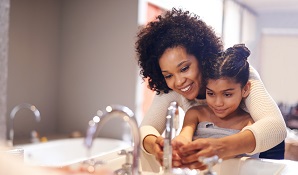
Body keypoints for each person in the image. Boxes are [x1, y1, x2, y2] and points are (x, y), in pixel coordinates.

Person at [135, 8, 287, 170]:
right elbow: (146, 128)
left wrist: (221, 147)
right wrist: (155, 146)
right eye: (168, 75)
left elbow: (276, 127)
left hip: (262, 148)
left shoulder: (235, 74)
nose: (178, 81)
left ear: (201, 57)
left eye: (185, 68)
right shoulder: (171, 88)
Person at [172, 44, 259, 169]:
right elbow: (184, 136)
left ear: (245, 89)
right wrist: (178, 145)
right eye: (211, 93)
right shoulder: (196, 114)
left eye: (227, 94)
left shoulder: (249, 122)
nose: (218, 103)